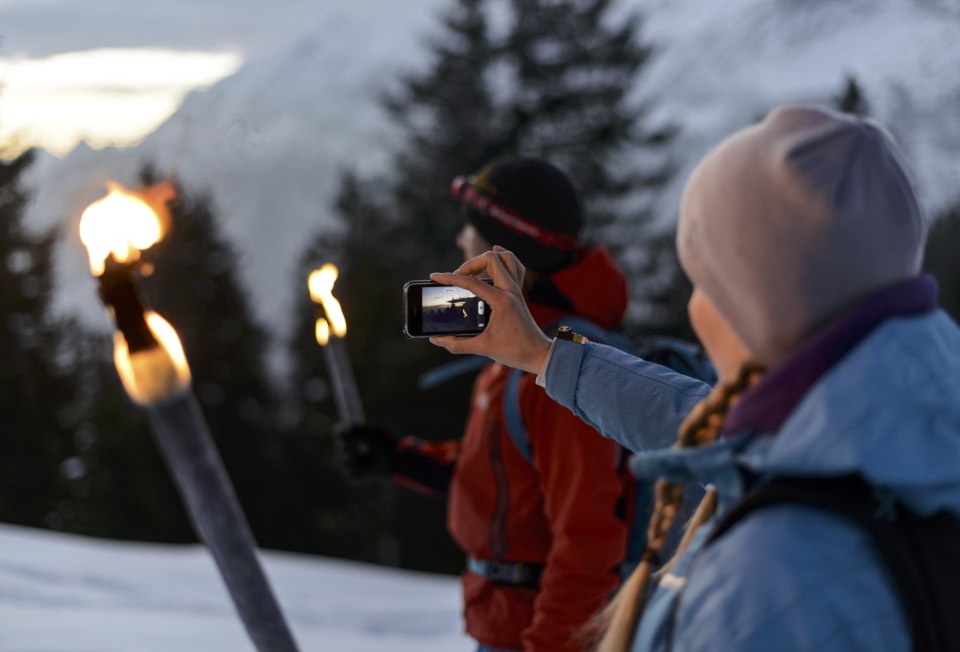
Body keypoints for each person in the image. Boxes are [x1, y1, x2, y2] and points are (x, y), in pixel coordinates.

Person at [429, 105, 960, 651]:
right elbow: (693, 418)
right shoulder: (892, 431)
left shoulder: (767, 584)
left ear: (749, 302)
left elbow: (592, 532)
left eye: (704, 282)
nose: (694, 307)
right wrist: (543, 357)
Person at [338, 156, 702, 651]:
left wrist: (549, 645)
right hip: (504, 620)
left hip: (533, 631)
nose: (459, 241)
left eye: (469, 229)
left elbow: (589, 542)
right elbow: (508, 478)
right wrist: (401, 458)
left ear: (502, 253)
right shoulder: (516, 348)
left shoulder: (558, 367)